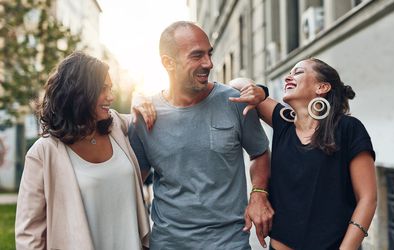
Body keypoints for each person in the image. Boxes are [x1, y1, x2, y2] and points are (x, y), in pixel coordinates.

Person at [129, 21, 273, 249]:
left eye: (209, 54)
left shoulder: (235, 102)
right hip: (168, 243)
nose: (209, 63)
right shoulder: (145, 116)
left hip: (229, 242)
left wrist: (259, 193)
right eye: (197, 56)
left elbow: (260, 153)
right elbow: (132, 180)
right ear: (168, 62)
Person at [229, 58, 377, 250]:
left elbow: (367, 198)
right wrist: (260, 91)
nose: (288, 77)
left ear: (322, 87)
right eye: (289, 73)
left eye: (297, 72)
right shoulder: (283, 123)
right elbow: (235, 83)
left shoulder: (349, 128)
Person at [15, 51, 150, 250]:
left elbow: (144, 115)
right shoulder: (44, 153)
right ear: (78, 92)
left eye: (111, 88)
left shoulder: (116, 127)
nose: (111, 96)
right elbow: (29, 234)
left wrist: (138, 98)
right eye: (103, 89)